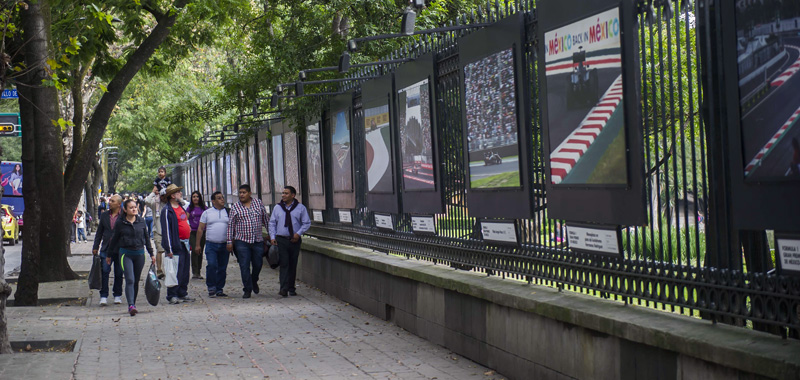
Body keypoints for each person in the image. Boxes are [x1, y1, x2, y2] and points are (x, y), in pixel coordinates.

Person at [106, 199, 155, 316]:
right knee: (130, 279)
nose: (134, 209)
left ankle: (133, 302)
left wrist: (151, 253)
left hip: (139, 254)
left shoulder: (141, 221)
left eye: (135, 207)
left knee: (136, 280)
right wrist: (109, 255)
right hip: (125, 254)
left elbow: (147, 239)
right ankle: (131, 305)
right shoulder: (120, 222)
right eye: (131, 207)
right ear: (125, 209)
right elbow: (114, 239)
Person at [227, 184, 270, 299]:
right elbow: (230, 225)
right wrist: (229, 242)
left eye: (244, 192)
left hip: (257, 240)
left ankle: (254, 280)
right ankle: (247, 289)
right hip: (242, 241)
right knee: (244, 265)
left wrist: (272, 235)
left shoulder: (258, 203)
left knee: (258, 264)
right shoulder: (235, 207)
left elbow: (266, 220)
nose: (241, 195)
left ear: (250, 193)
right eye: (240, 193)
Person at [269, 186, 311, 297]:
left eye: (286, 193)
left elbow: (306, 223)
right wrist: (272, 237)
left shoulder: (300, 208)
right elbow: (272, 223)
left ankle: (291, 288)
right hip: (281, 239)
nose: (283, 195)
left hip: (294, 240)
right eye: (282, 193)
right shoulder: (277, 208)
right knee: (284, 263)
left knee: (292, 264)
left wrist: (298, 233)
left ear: (293, 195)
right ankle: (283, 288)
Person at [160, 184, 194, 304]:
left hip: (185, 244)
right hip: (175, 244)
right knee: (174, 271)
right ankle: (172, 294)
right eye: (178, 192)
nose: (181, 193)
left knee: (184, 270)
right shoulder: (167, 211)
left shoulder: (181, 207)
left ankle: (182, 292)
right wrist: (168, 248)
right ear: (173, 195)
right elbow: (166, 231)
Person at [195, 191, 230, 297]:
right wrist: (197, 244)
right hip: (211, 244)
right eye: (219, 198)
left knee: (222, 267)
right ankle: (211, 287)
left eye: (223, 197)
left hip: (225, 244)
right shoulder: (207, 213)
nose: (222, 200)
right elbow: (200, 229)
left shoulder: (228, 212)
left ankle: (219, 288)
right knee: (212, 265)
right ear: (213, 201)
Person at [92, 194, 124, 306]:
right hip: (106, 248)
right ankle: (104, 295)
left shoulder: (124, 215)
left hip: (120, 249)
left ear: (119, 204)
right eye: (110, 201)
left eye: (113, 201)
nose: (109, 202)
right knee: (104, 272)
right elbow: (99, 232)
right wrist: (95, 246)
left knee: (119, 273)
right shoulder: (105, 215)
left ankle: (117, 295)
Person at [187, 191, 207, 279]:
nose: (195, 198)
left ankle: (198, 270)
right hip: (193, 232)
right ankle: (194, 271)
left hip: (203, 232)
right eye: (193, 196)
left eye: (197, 196)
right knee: (195, 249)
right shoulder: (190, 208)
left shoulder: (204, 208)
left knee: (200, 251)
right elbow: (185, 219)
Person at [145, 189, 165, 278]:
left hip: (169, 232)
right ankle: (159, 269)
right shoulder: (155, 204)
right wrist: (153, 192)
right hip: (158, 231)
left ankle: (169, 269)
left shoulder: (170, 204)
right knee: (159, 250)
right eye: (162, 195)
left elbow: (182, 203)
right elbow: (147, 201)